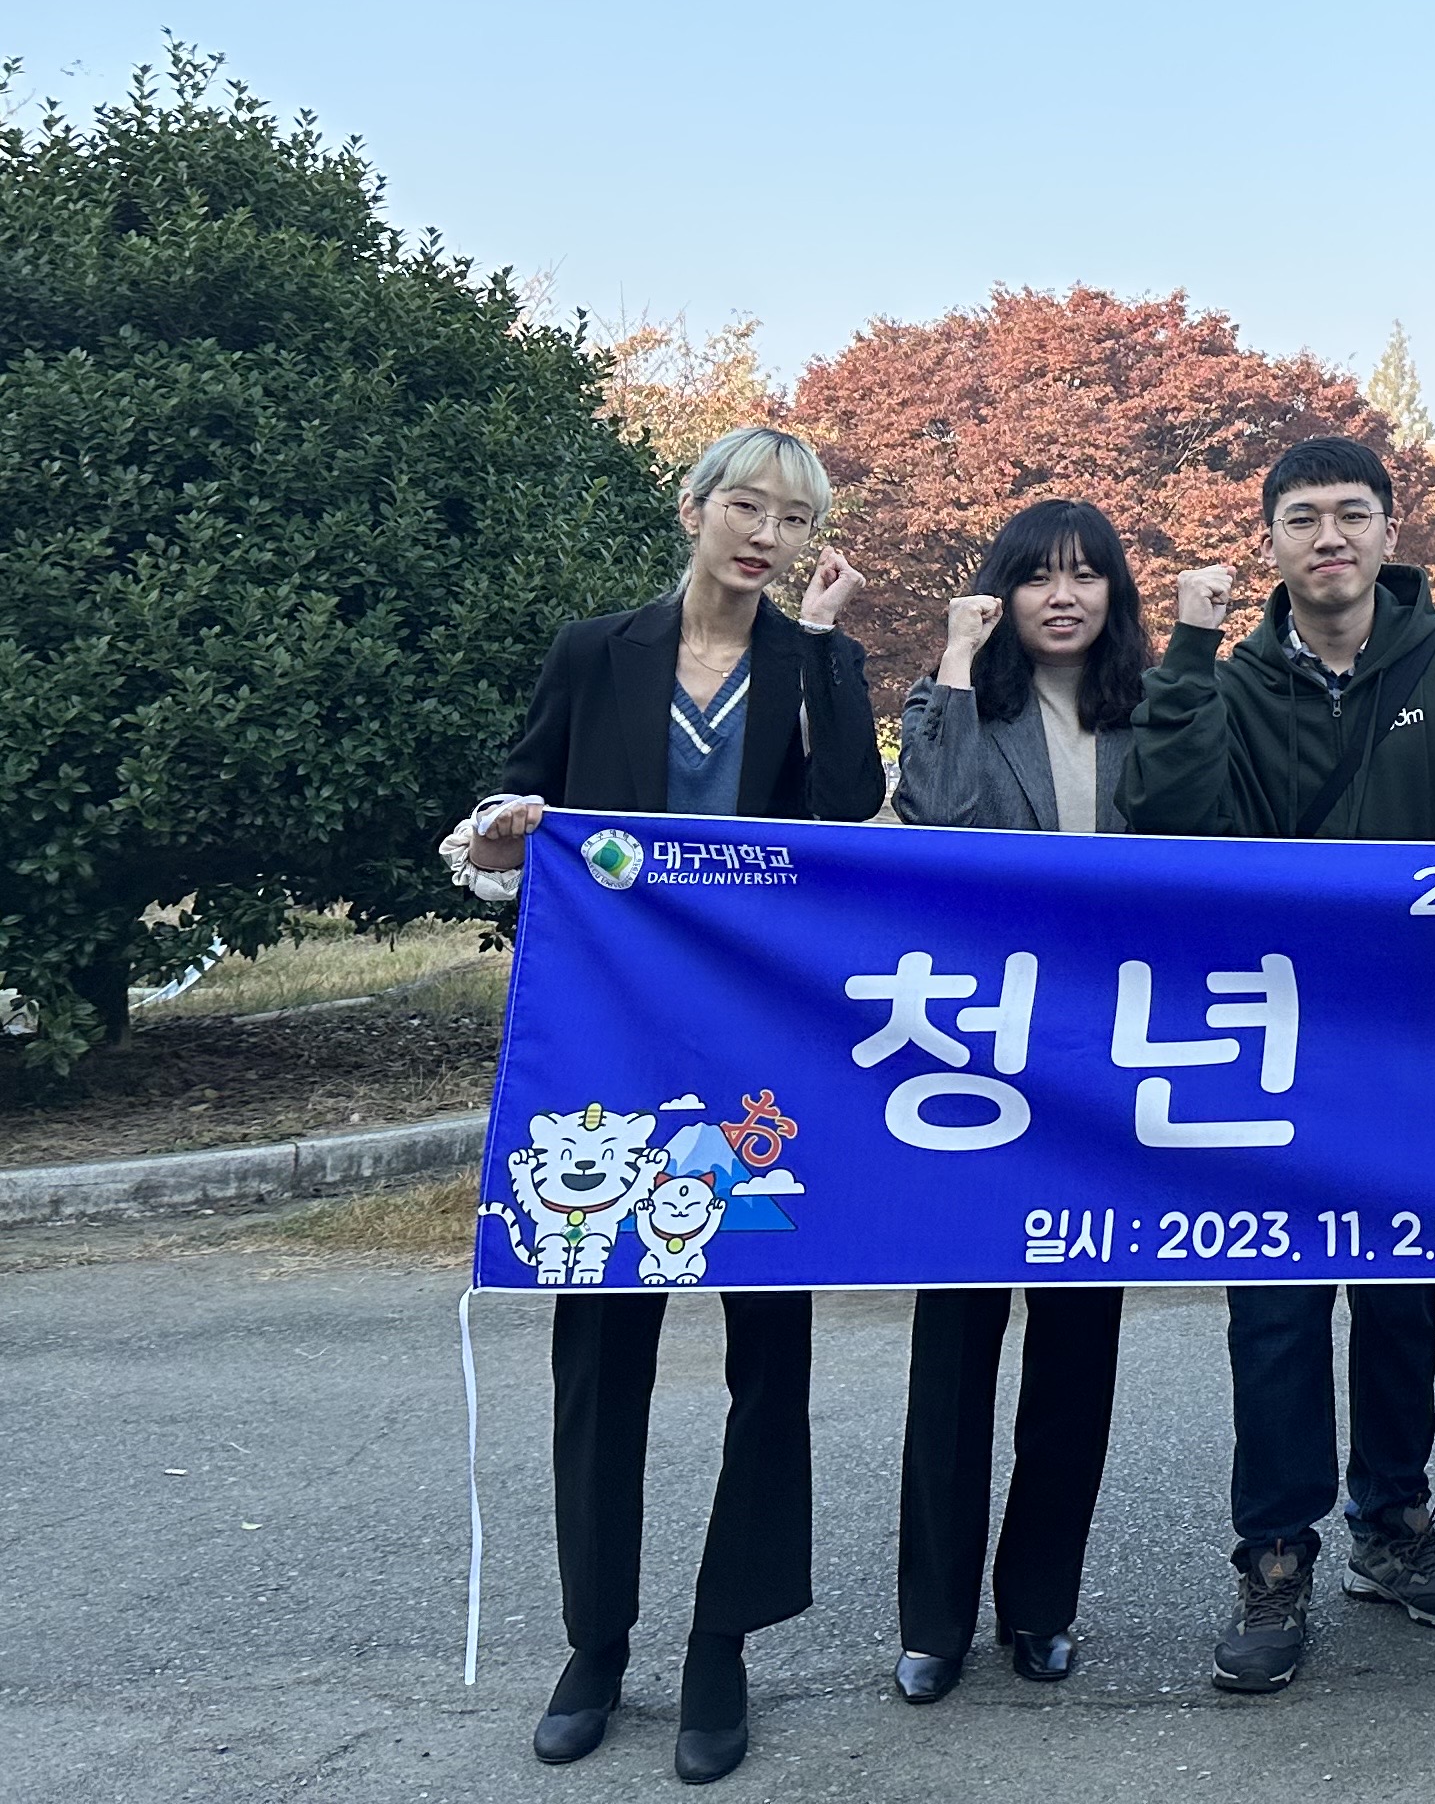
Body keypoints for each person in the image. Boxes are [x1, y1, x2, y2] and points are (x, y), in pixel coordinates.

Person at [437, 424, 879, 1788]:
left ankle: (721, 1642)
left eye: (793, 520)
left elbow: (847, 818)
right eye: (746, 506)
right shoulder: (598, 651)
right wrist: (501, 835)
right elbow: (514, 809)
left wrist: (821, 662)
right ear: (693, 508)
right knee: (599, 1355)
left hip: (762, 1059)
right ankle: (596, 1642)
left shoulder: (814, 663)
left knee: (771, 1357)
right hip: (611, 1052)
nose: (767, 536)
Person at [1124, 432, 1435, 1691]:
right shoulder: (1231, 682)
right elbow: (1169, 818)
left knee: (1402, 1304)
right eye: (1302, 519)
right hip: (1270, 1042)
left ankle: (1393, 1522)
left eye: (1351, 514)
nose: (1328, 537)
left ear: (1391, 531)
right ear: (1272, 542)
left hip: (1411, 1041)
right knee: (1275, 1314)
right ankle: (1274, 1552)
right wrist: (1186, 654)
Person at [884, 499, 1147, 1707]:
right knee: (955, 1352)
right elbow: (932, 820)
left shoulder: (1149, 715)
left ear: (1113, 597)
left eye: (1086, 576)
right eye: (1038, 576)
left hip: (1106, 1069)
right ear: (1003, 592)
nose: (1063, 596)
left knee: (1077, 1355)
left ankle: (1041, 1604)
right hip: (976, 1068)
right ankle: (932, 1621)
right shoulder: (959, 708)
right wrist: (955, 655)